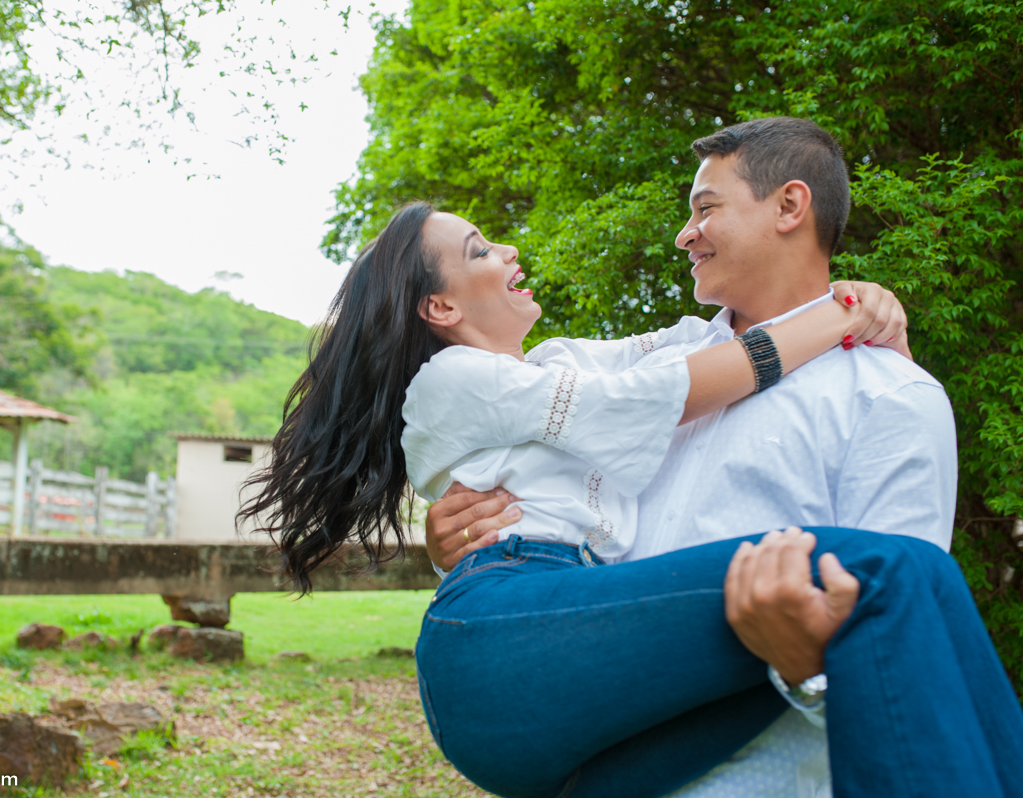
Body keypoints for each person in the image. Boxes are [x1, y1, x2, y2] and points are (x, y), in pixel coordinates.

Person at [239, 118, 1023, 797]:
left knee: (898, 585)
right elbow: (662, 395)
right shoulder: (576, 381)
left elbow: (904, 663)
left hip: (656, 745)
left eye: (704, 208)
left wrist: (804, 667)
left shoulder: (889, 397)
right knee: (896, 573)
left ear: (791, 206)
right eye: (479, 248)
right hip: (519, 649)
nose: (685, 233)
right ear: (439, 305)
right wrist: (838, 315)